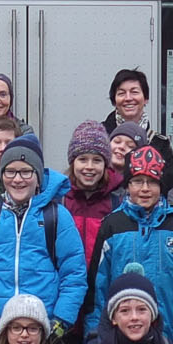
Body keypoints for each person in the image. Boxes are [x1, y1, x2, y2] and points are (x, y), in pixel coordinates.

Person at [0, 133, 87, 344]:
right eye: (10, 171)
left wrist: (62, 318)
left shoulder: (57, 216)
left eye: (26, 171)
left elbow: (74, 273)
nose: (18, 179)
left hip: (41, 325)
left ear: (38, 176)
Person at [86, 145, 173, 342]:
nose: (145, 189)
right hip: (120, 336)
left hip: (168, 337)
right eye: (137, 181)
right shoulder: (113, 225)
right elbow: (98, 286)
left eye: (152, 182)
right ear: (127, 186)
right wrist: (95, 334)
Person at [58, 122, 124, 291]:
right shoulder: (59, 201)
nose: (89, 167)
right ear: (73, 162)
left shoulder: (117, 202)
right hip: (66, 290)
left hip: (103, 292)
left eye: (96, 160)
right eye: (82, 159)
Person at [102, 68, 173, 165]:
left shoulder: (160, 144)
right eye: (121, 93)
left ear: (145, 99)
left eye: (134, 92)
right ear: (114, 101)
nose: (128, 98)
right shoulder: (100, 136)